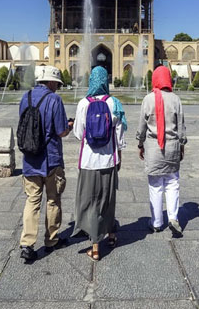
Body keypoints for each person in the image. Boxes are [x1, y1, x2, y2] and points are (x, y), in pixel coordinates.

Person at [18, 66, 73, 262]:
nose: (57, 87)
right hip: (50, 160)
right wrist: (69, 126)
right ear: (50, 82)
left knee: (32, 201)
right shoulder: (54, 99)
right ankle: (51, 239)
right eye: (57, 84)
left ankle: (27, 244)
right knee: (53, 199)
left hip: (30, 158)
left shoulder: (26, 97)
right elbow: (60, 131)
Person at [72, 66, 127, 261]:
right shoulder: (114, 103)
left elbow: (78, 134)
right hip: (109, 160)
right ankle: (111, 236)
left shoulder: (83, 104)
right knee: (108, 200)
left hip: (88, 161)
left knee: (91, 202)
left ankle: (95, 246)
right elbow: (119, 136)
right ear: (105, 81)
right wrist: (119, 155)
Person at [136, 66, 187, 237]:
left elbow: (142, 126)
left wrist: (140, 143)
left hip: (153, 148)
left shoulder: (148, 99)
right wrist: (182, 145)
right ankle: (173, 217)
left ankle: (157, 222)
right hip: (172, 147)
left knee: (156, 185)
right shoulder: (176, 100)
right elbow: (181, 126)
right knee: (172, 183)